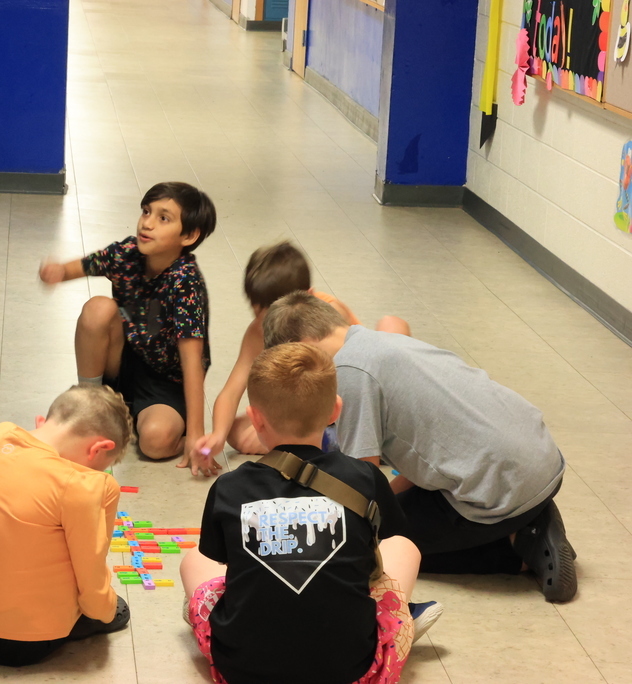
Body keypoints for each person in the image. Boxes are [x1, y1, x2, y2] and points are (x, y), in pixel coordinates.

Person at [263, 291, 577, 602]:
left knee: (384, 547)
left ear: (302, 348)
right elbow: (421, 457)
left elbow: (360, 484)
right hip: (541, 457)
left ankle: (519, 545)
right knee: (394, 515)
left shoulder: (348, 372)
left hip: (504, 488)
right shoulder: (383, 342)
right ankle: (529, 516)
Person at [182, 343, 433, 684]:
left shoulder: (228, 487)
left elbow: (223, 562)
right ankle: (400, 624)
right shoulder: (366, 477)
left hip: (242, 672)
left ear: (255, 417)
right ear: (336, 410)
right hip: (352, 672)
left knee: (193, 561)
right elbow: (381, 548)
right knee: (403, 546)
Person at [0, 385, 134, 666]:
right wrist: (107, 609)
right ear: (99, 448)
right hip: (24, 644)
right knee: (115, 609)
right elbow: (91, 580)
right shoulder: (82, 485)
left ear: (42, 422)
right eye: (99, 466)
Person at [39, 182, 220, 476]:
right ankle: (91, 403)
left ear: (188, 235)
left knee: (155, 443)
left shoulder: (186, 282)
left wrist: (197, 434)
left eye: (163, 218)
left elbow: (192, 361)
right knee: (98, 308)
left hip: (164, 381)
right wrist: (57, 272)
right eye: (146, 212)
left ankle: (158, 427)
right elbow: (84, 266)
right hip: (123, 358)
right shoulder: (127, 253)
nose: (147, 223)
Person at [198, 241, 410, 457]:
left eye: (274, 314)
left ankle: (355, 441)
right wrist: (217, 435)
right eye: (258, 313)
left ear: (306, 298)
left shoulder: (328, 316)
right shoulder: (257, 331)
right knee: (236, 429)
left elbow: (356, 380)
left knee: (392, 325)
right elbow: (231, 391)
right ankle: (329, 443)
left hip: (355, 405)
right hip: (315, 412)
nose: (268, 323)